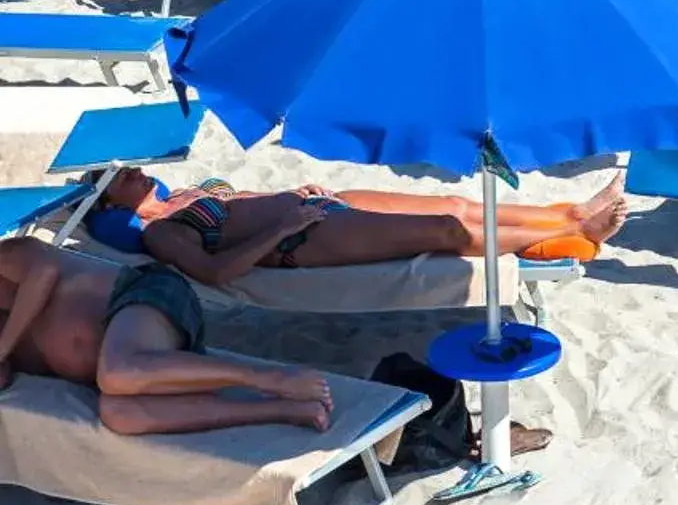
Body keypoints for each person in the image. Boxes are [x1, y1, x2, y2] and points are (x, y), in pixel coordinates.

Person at [0, 237, 333, 435]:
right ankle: (282, 411)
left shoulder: (9, 253)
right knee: (118, 414)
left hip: (140, 294)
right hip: (127, 365)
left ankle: (267, 378)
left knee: (117, 372)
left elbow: (44, 272)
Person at [104, 167, 626, 281]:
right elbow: (216, 272)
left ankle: (571, 214)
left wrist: (292, 194)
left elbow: (241, 203)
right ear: (110, 205)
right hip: (306, 238)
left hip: (317, 206)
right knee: (446, 230)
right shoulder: (160, 232)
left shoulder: (188, 193)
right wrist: (283, 228)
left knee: (454, 203)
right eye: (118, 176)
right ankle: (576, 234)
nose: (130, 168)